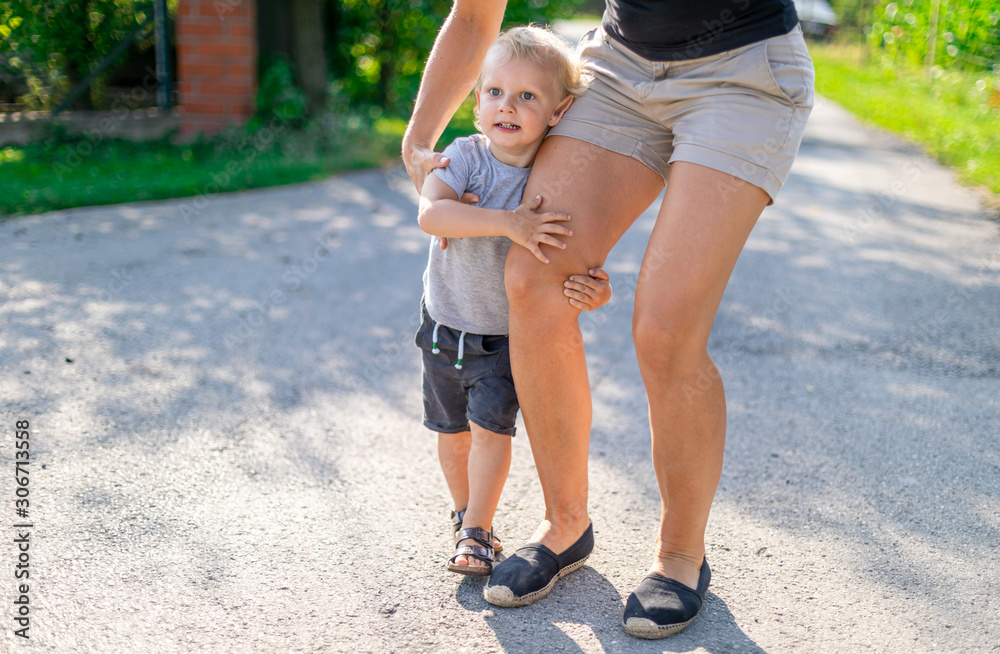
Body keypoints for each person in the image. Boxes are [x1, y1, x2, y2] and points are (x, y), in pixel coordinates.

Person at [403, 0, 814, 638]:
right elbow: (476, 14)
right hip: (621, 68)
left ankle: (681, 556)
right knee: (535, 274)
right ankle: (565, 522)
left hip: (743, 73)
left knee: (664, 328)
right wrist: (420, 136)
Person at [414, 25, 614, 576]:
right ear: (477, 101)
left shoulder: (555, 179)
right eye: (495, 92)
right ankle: (464, 516)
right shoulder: (465, 158)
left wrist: (596, 287)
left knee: (488, 433)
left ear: (558, 110)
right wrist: (508, 225)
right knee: (451, 436)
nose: (508, 105)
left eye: (528, 96)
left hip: (504, 339)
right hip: (444, 326)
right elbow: (432, 215)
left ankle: (478, 531)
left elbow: (581, 252)